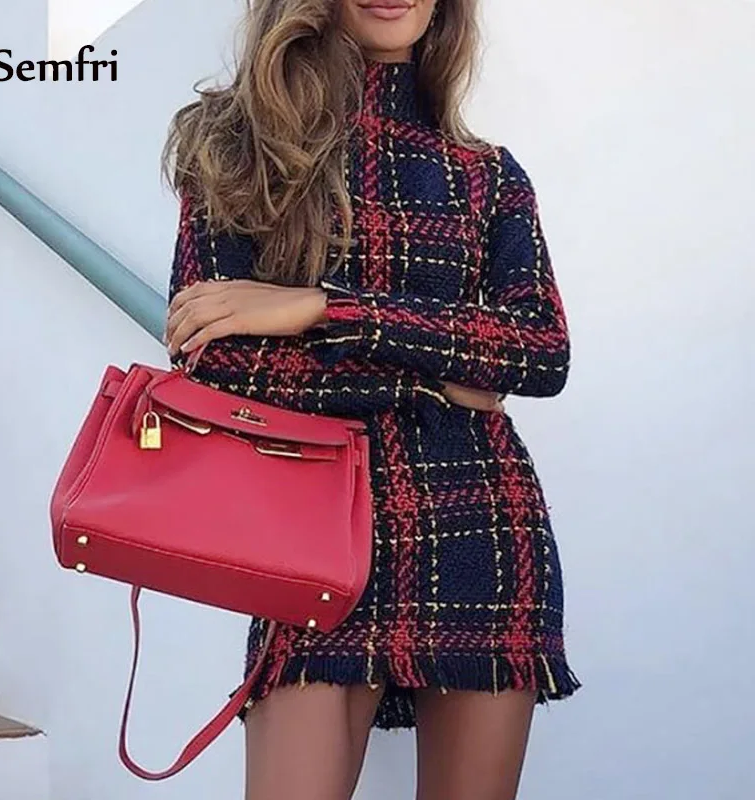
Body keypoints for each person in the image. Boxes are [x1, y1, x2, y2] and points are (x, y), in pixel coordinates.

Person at [163, 1, 579, 798]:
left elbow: (538, 349)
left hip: (479, 527)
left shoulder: (487, 174)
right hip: (311, 536)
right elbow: (218, 364)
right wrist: (439, 377)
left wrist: (321, 310)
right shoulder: (237, 147)